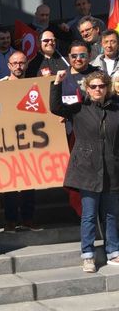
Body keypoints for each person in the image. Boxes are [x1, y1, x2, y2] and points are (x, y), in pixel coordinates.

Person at [50, 70, 119, 273]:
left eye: (101, 86)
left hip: (112, 169)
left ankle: (113, 251)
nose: (98, 89)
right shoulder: (79, 108)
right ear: (87, 89)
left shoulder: (116, 109)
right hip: (87, 170)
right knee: (89, 215)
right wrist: (57, 83)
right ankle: (88, 254)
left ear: (107, 88)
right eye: (94, 86)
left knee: (111, 214)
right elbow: (55, 107)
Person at [0, 51, 38, 232]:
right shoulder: (0, 86)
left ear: (27, 65)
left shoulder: (36, 85)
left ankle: (28, 219)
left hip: (30, 141)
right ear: (9, 66)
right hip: (7, 143)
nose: (18, 66)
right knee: (10, 184)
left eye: (22, 63)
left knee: (30, 182)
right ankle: (10, 220)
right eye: (14, 63)